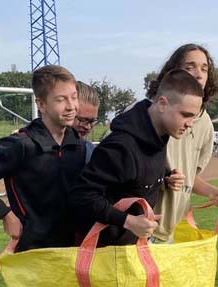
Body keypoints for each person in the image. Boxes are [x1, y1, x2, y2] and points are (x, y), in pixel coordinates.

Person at [68, 69, 204, 246]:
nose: (190, 124)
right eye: (185, 115)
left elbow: (132, 177)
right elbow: (81, 196)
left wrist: (166, 176)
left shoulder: (159, 137)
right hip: (103, 256)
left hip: (132, 251)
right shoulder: (120, 146)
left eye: (194, 117)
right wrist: (128, 221)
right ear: (162, 104)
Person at [0, 64, 85, 252]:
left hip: (73, 247)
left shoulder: (76, 142)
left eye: (74, 97)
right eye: (61, 100)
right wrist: (5, 214)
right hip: (33, 250)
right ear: (41, 104)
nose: (71, 106)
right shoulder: (21, 144)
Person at [147, 44, 218, 243]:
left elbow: (190, 176)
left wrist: (211, 191)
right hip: (139, 230)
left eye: (204, 68)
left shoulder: (205, 125)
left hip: (170, 233)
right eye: (190, 67)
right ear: (173, 72)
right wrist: (162, 179)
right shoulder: (150, 113)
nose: (198, 74)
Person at [74, 81, 100, 163]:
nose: (88, 127)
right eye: (83, 120)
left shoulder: (92, 153)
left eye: (92, 121)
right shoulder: (38, 151)